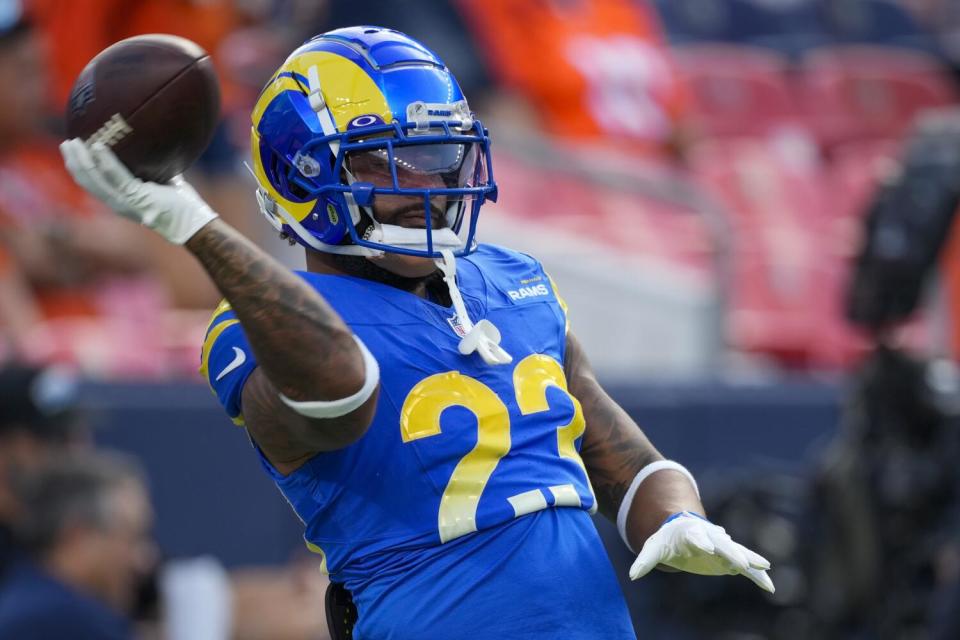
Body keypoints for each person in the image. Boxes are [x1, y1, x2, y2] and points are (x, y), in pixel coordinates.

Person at [60, 26, 774, 639]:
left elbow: (627, 458)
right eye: (387, 159)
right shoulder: (262, 327)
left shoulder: (513, 281)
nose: (427, 184)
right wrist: (195, 226)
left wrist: (676, 518)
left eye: (439, 155)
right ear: (302, 169)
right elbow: (340, 387)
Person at [0, 451, 153, 639]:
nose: (143, 560)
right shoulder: (68, 621)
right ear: (77, 536)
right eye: (131, 537)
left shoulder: (21, 600)